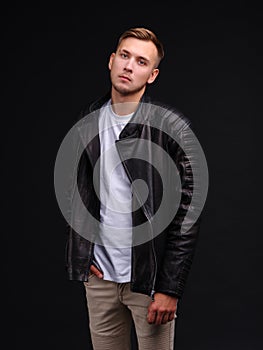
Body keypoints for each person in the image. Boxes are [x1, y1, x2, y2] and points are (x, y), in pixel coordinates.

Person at [65, 27, 202, 350]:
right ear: (111, 61)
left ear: (152, 75)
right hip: (100, 279)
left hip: (148, 282)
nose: (129, 66)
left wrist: (170, 288)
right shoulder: (88, 118)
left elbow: (188, 212)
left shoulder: (171, 127)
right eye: (124, 56)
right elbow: (78, 189)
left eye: (141, 61)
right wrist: (84, 254)